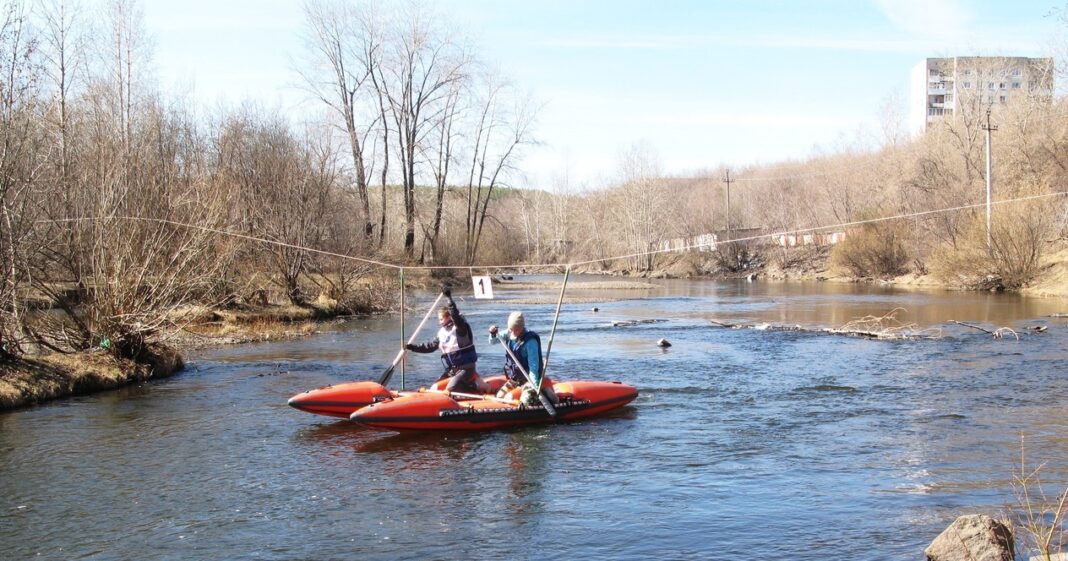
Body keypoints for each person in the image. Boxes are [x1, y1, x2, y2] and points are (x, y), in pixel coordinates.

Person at [406, 285, 479, 394]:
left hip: (466, 369)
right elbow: (430, 347)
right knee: (435, 388)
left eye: (441, 319)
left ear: (449, 317)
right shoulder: (442, 333)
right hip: (452, 370)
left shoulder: (461, 328)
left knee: (451, 389)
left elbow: (455, 315)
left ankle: (473, 386)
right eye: (439, 319)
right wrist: (412, 347)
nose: (439, 322)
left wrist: (449, 298)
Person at [488, 311, 559, 406]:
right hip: (516, 379)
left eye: (516, 330)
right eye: (511, 329)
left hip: (530, 379)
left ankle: (545, 392)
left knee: (525, 402)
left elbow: (534, 368)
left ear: (521, 328)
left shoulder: (530, 342)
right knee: (499, 396)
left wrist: (533, 386)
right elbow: (492, 341)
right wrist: (493, 334)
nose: (513, 333)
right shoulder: (509, 333)